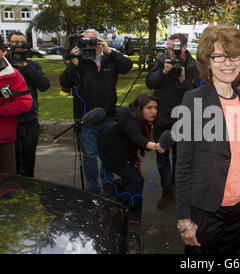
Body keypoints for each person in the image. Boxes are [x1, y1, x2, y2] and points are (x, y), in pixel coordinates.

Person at [175, 24, 240, 254]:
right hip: (205, 208)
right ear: (207, 62)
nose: (228, 63)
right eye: (219, 56)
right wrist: (184, 219)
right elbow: (183, 164)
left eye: (233, 55)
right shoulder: (192, 100)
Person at [60, 29, 133, 195]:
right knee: (89, 156)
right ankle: (92, 190)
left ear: (100, 41)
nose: (89, 44)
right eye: (86, 41)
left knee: (108, 155)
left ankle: (107, 185)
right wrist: (73, 62)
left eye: (93, 40)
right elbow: (65, 82)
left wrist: (109, 51)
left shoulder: (109, 59)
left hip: (107, 116)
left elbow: (128, 66)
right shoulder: (80, 61)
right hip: (86, 118)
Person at [146, 33, 200, 209]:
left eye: (174, 48)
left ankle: (178, 190)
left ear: (184, 48)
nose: (170, 52)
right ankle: (166, 191)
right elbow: (150, 83)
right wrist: (163, 72)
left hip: (183, 116)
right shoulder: (162, 61)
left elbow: (195, 93)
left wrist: (183, 79)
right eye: (169, 48)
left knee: (180, 157)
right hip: (162, 116)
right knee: (162, 155)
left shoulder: (192, 65)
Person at [98, 93, 165, 225]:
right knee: (136, 180)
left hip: (125, 152)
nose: (154, 111)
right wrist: (157, 146)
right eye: (149, 108)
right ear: (140, 109)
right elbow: (138, 139)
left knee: (134, 180)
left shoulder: (144, 120)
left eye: (155, 108)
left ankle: (127, 207)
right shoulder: (131, 121)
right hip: (111, 153)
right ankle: (116, 208)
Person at [7, 31, 51, 177]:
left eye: (22, 43)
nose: (19, 47)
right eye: (15, 43)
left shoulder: (32, 65)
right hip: (8, 120)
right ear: (8, 44)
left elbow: (44, 85)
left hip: (29, 120)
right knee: (10, 162)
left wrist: (25, 66)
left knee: (28, 159)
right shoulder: (4, 65)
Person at [0, 36, 33, 173]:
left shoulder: (13, 75)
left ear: (2, 51)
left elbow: (25, 102)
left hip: (4, 139)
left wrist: (1, 109)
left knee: (8, 184)